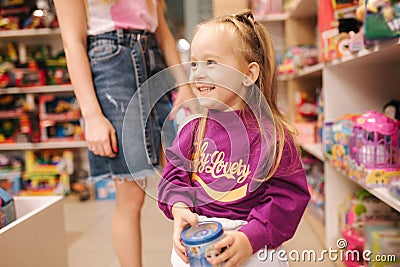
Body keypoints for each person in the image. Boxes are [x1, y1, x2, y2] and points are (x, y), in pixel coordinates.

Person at [158, 9, 311, 267]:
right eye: (194, 63)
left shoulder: (272, 137)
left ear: (248, 74)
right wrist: (179, 208)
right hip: (198, 239)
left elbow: (287, 199)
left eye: (211, 63)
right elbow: (173, 176)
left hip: (251, 241)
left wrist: (250, 238)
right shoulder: (193, 129)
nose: (198, 74)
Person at [53, 0, 196, 266]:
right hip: (112, 67)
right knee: (132, 194)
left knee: (183, 179)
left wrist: (184, 85)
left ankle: (196, 258)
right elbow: (72, 43)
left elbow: (162, 32)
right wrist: (92, 115)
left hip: (153, 60)